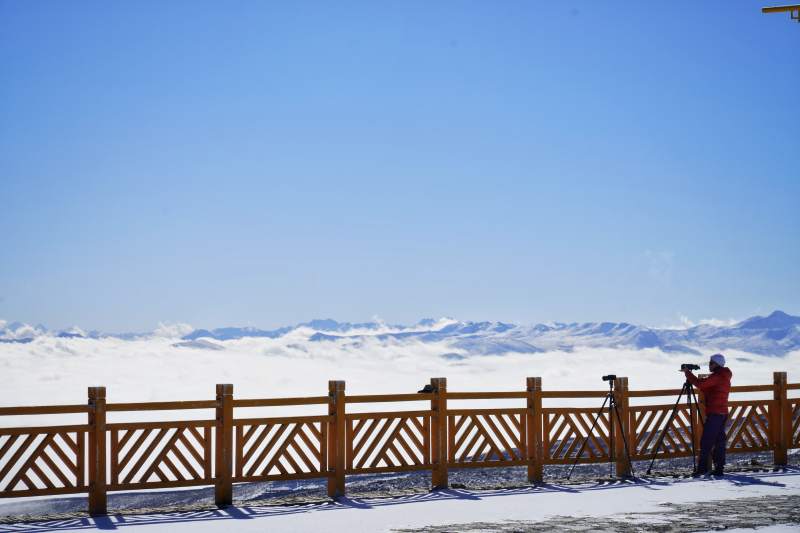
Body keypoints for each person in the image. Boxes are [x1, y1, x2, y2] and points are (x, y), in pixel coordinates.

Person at [683, 353, 732, 476]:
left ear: (717, 364)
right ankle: (719, 468)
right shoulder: (723, 376)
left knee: (706, 441)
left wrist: (688, 374)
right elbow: (708, 386)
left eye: (711, 363)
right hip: (722, 412)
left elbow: (701, 385)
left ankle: (702, 468)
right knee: (719, 440)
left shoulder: (717, 376)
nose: (709, 365)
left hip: (715, 413)